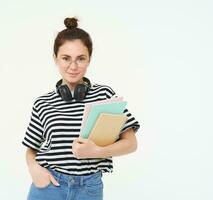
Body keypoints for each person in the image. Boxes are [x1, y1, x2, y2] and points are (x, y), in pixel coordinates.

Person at [21, 17, 141, 200]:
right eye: (66, 58)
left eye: (81, 59)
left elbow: (131, 143)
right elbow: (31, 148)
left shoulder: (104, 95)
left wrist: (96, 152)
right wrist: (33, 168)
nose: (73, 66)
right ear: (55, 58)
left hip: (89, 188)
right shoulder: (42, 102)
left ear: (89, 59)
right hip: (49, 185)